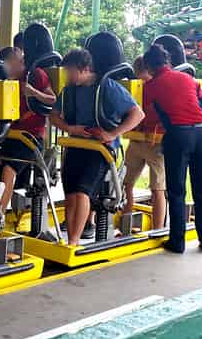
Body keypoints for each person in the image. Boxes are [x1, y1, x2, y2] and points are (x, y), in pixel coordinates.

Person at [49, 49, 144, 247]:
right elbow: (54, 116)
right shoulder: (69, 90)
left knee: (82, 192)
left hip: (100, 150)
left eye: (70, 71)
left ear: (85, 69)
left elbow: (137, 114)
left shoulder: (108, 88)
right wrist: (70, 128)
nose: (67, 76)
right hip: (76, 146)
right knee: (70, 194)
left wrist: (112, 134)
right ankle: (70, 241)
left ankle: (74, 240)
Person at [142, 44, 202, 253]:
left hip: (179, 135)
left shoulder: (151, 86)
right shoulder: (189, 79)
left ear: (149, 67)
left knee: (176, 191)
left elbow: (146, 113)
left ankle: (177, 242)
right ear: (167, 61)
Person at [0, 47, 55, 215]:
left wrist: (33, 92)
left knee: (9, 169)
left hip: (30, 136)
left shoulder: (35, 75)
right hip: (9, 134)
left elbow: (53, 99)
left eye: (9, 64)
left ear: (18, 62)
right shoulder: (4, 80)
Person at [122, 55, 166, 230]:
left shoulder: (157, 87)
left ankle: (157, 229)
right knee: (126, 183)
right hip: (138, 140)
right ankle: (126, 221)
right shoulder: (137, 88)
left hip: (155, 142)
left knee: (157, 188)